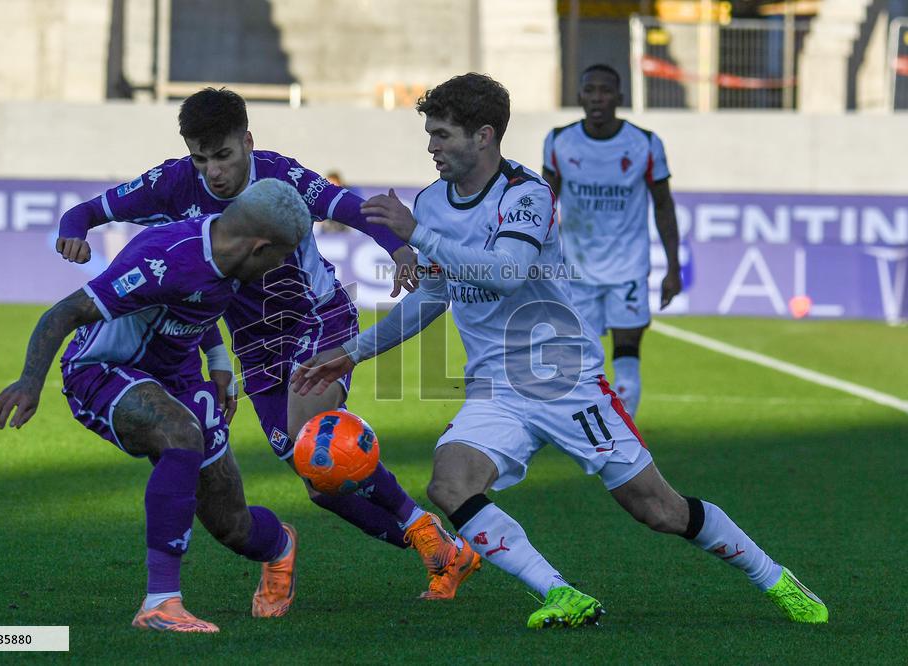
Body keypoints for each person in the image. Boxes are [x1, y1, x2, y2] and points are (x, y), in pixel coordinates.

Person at [291, 73, 828, 629]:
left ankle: (776, 578)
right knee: (450, 482)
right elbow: (433, 293)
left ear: (484, 135)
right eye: (429, 135)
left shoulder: (527, 194)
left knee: (659, 510)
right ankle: (562, 594)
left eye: (442, 135)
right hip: (496, 388)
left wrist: (417, 234)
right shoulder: (430, 202)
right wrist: (354, 352)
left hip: (564, 380)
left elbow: (507, 273)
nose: (432, 147)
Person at [52, 88, 479, 600]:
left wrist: (401, 248)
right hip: (255, 349)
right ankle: (440, 548)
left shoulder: (279, 175)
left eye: (224, 155)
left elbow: (347, 205)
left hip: (315, 321)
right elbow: (85, 213)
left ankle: (427, 533)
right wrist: (71, 234)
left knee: (311, 441)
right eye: (200, 158)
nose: (213, 171)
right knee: (319, 483)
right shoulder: (171, 182)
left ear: (248, 141)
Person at [0, 180, 313, 632]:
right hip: (102, 369)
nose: (280, 265)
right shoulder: (165, 257)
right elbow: (64, 313)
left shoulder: (228, 256)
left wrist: (218, 358)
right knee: (179, 434)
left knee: (231, 523)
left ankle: (279, 547)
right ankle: (161, 603)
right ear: (259, 246)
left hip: (179, 378)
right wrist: (30, 381)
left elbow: (199, 301)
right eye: (280, 255)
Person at [542, 63, 681, 418]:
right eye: (590, 90)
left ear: (620, 97)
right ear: (580, 96)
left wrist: (673, 266)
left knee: (627, 353)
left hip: (628, 270)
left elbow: (663, 205)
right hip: (577, 272)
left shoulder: (645, 144)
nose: (597, 98)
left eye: (606, 90)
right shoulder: (559, 141)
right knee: (580, 360)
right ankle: (584, 428)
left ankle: (625, 436)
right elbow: (543, 206)